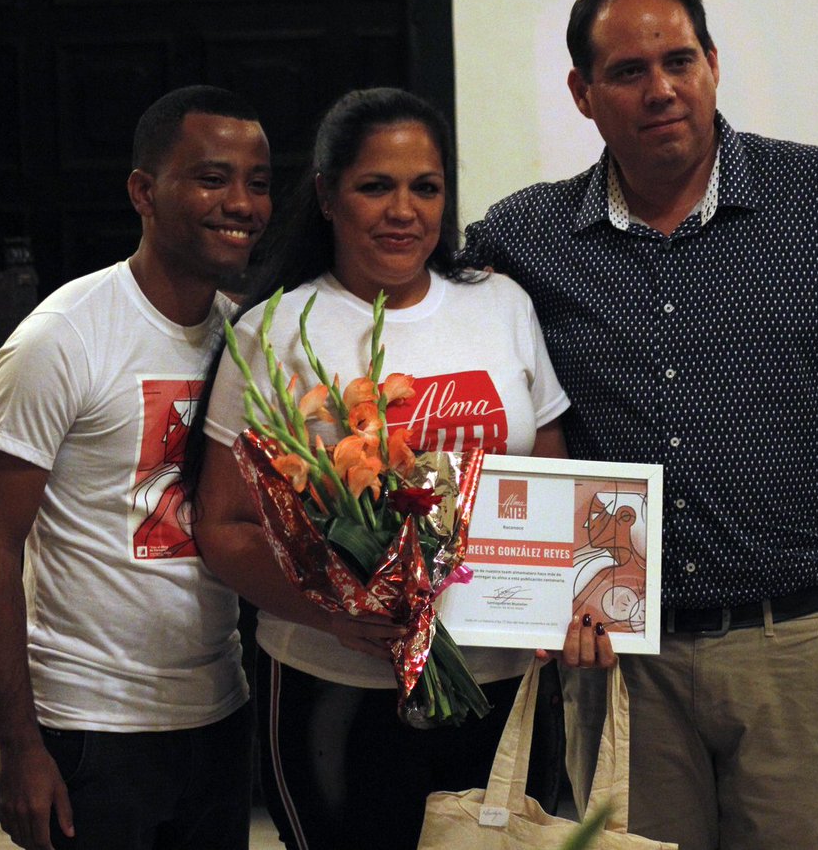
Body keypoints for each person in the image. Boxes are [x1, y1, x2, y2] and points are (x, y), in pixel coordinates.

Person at [461, 0, 818, 850]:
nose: (661, 88)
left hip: (799, 644)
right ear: (583, 94)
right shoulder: (523, 237)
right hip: (622, 661)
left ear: (713, 64)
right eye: (628, 72)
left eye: (680, 60)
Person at [186, 87, 603, 850]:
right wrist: (337, 613)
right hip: (330, 691)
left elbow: (551, 476)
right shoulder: (273, 329)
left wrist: (570, 601)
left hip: (501, 686)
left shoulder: (501, 304)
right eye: (376, 185)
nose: (403, 209)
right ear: (326, 195)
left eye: (426, 187)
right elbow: (223, 524)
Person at [0, 85, 272, 850]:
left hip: (216, 708)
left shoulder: (245, 338)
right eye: (211, 177)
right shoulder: (62, 339)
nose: (241, 202)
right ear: (143, 190)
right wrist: (19, 746)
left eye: (258, 182)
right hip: (91, 724)